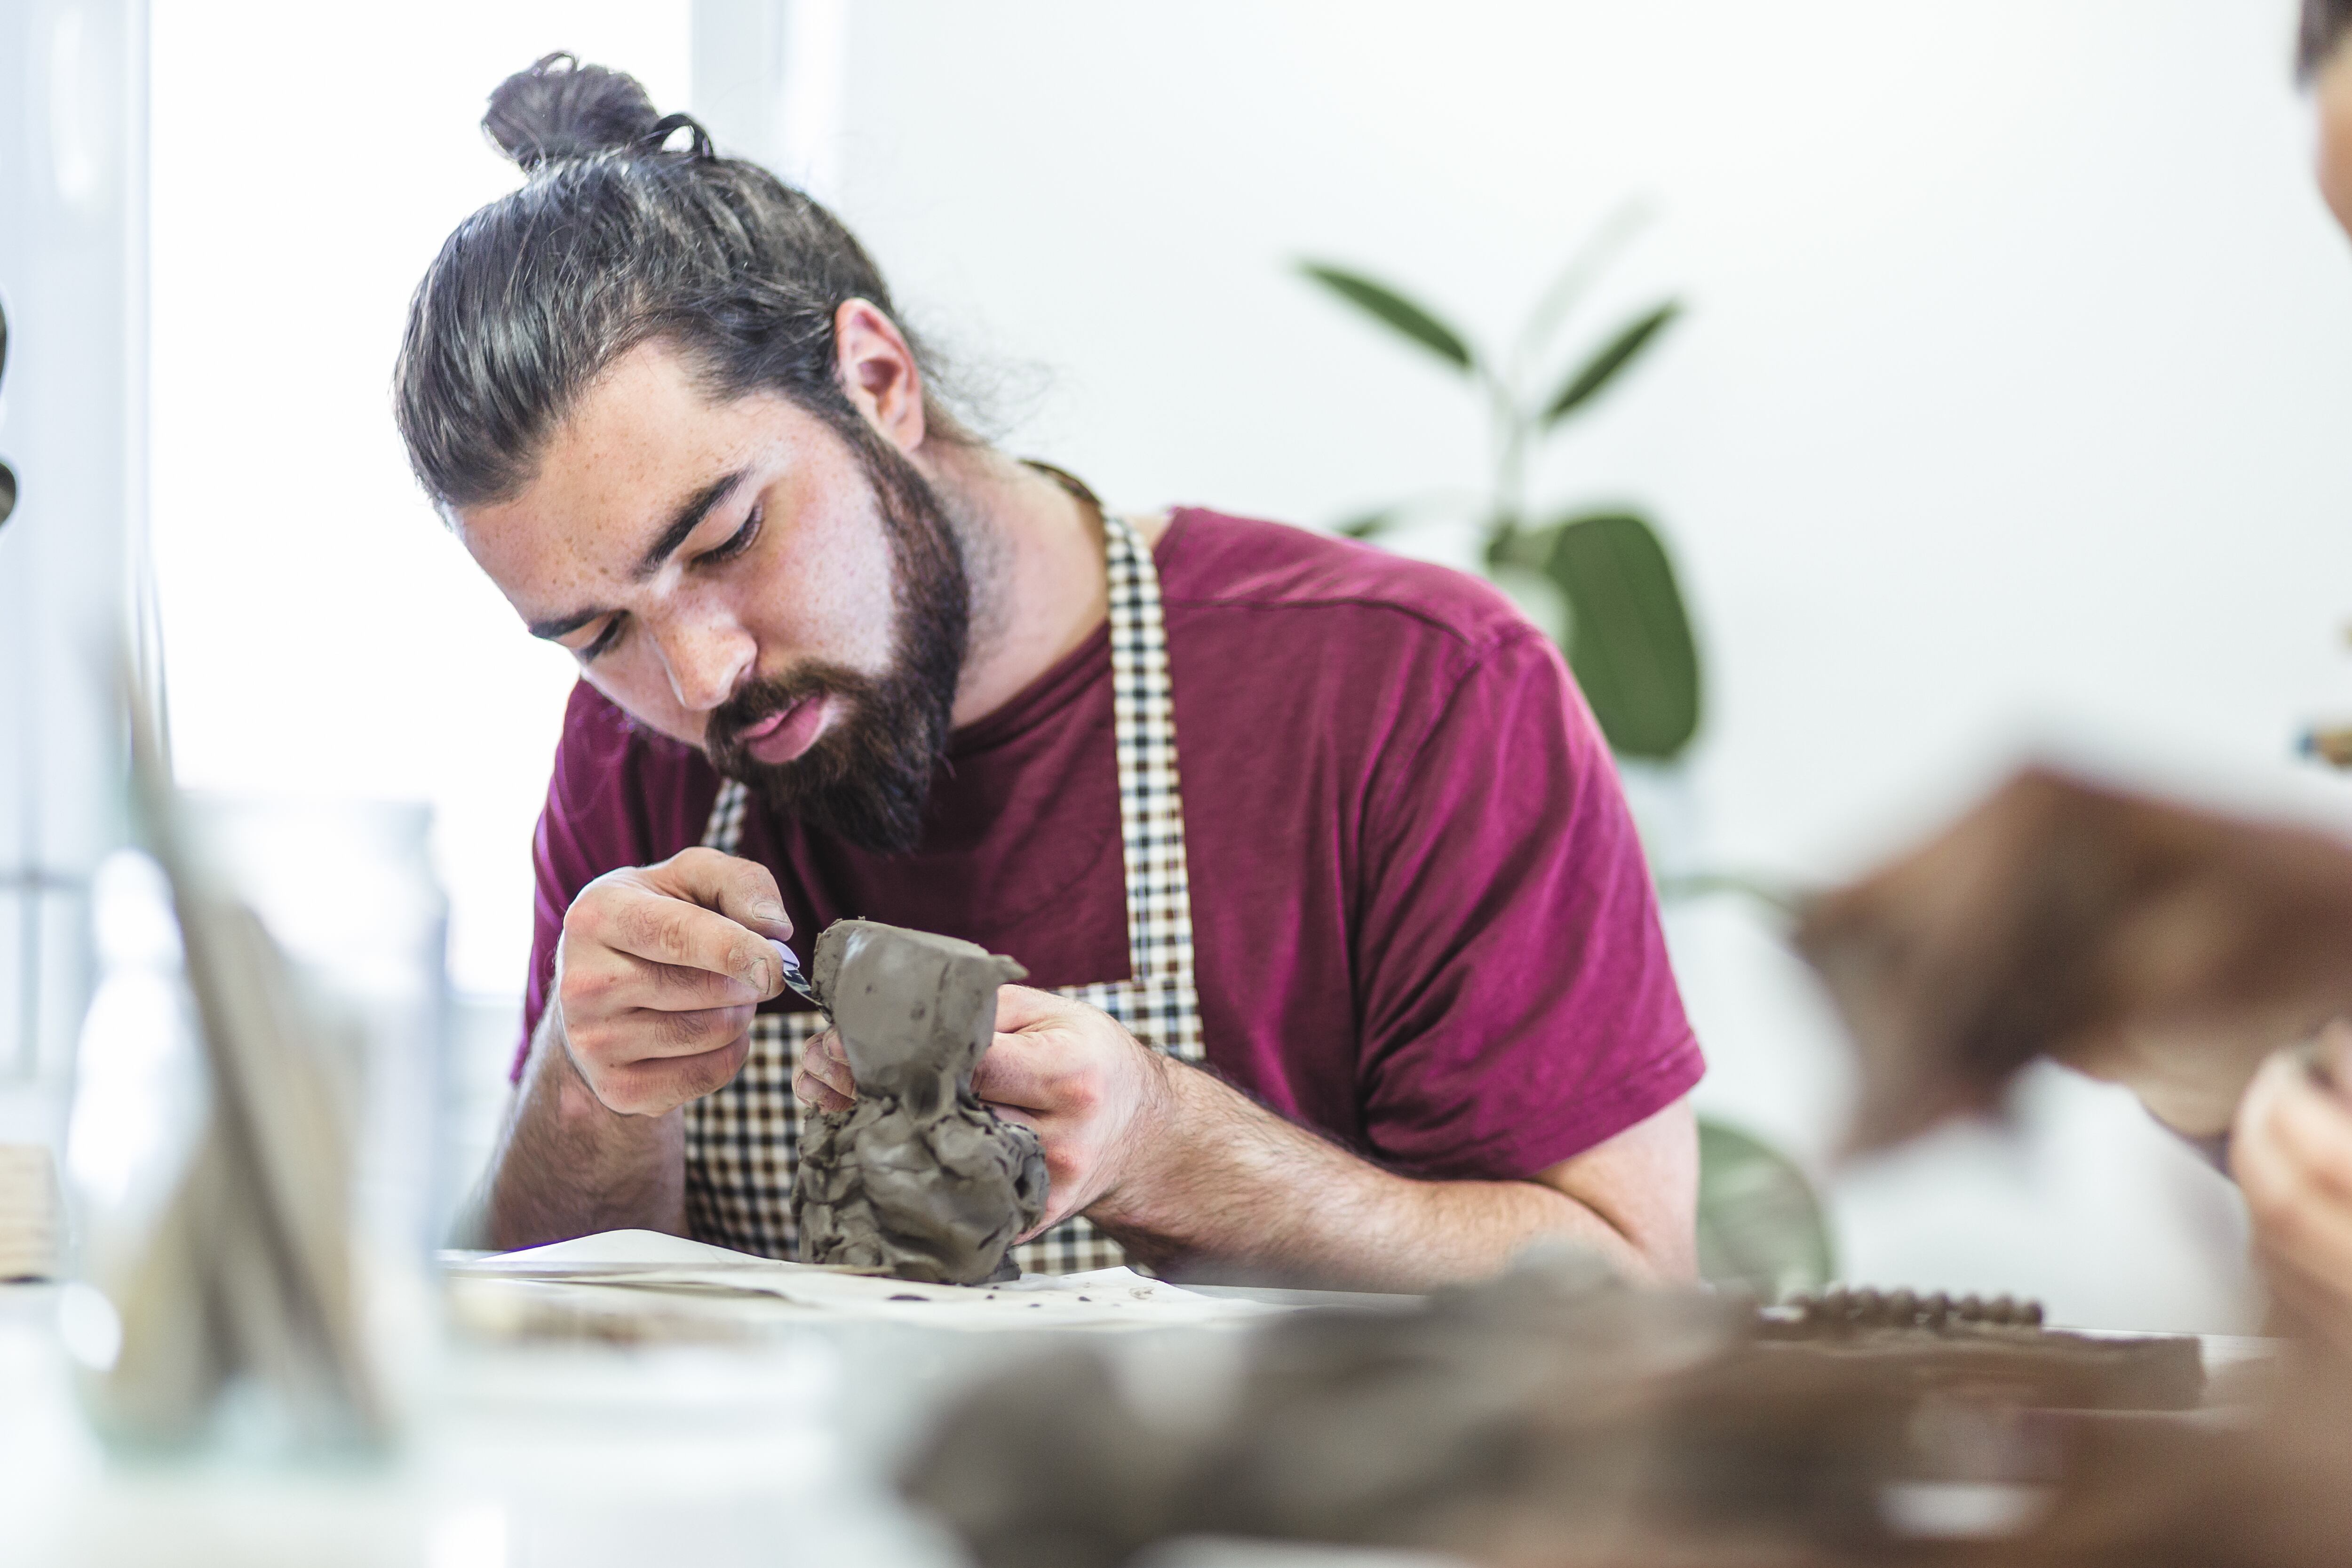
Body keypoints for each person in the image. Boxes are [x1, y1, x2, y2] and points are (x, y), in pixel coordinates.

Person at [400, 55, 1704, 1288]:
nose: (697, 677)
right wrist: (590, 1091)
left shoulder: (1416, 694)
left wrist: (1176, 1148)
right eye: (595, 635)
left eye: (729, 537)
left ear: (877, 379)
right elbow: (552, 1346)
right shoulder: (630, 759)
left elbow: (1629, 1294)